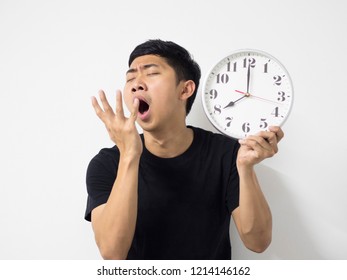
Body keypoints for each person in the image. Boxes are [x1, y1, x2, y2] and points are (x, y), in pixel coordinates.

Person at [84, 39, 284, 260]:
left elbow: (258, 242)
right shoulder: (107, 163)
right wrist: (130, 154)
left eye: (151, 74)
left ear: (185, 89)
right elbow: (112, 253)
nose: (136, 84)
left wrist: (245, 168)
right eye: (130, 78)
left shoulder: (226, 154)